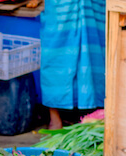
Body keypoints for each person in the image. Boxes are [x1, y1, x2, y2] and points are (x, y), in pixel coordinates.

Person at [40, 0, 105, 129]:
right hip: (60, 7)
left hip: (93, 6)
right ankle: (55, 119)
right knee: (55, 57)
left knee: (95, 56)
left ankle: (97, 118)